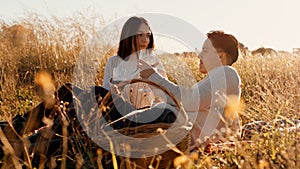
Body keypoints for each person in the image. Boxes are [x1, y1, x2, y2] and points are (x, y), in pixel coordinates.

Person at [139, 31, 242, 149]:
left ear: (220, 56)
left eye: (205, 51)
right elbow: (179, 100)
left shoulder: (226, 72)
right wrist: (151, 79)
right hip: (176, 126)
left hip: (176, 124)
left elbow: (190, 100)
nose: (199, 55)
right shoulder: (216, 78)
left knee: (122, 121)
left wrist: (154, 77)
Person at [102, 16, 167, 109]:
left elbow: (165, 93)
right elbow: (105, 93)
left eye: (148, 35)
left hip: (146, 114)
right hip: (119, 114)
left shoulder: (153, 61)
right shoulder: (113, 62)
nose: (145, 40)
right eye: (140, 35)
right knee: (95, 91)